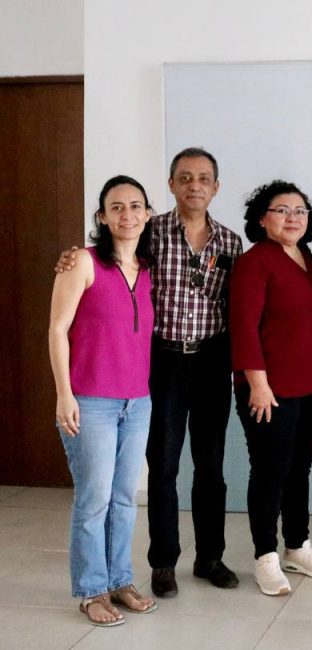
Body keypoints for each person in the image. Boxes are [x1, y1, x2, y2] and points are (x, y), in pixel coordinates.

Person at [55, 146, 244, 598]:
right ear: (171, 184)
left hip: (211, 359)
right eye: (185, 178)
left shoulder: (231, 242)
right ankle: (163, 563)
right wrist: (70, 257)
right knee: (162, 466)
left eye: (204, 178)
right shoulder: (151, 232)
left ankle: (210, 557)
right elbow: (106, 258)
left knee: (211, 465)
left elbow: (235, 305)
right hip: (162, 361)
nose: (194, 186)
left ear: (216, 187)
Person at [49, 176, 158, 626]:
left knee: (124, 498)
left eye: (135, 206)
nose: (127, 214)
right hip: (90, 400)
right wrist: (64, 394)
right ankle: (91, 590)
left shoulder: (148, 268)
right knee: (93, 499)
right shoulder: (82, 261)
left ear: (147, 214)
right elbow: (57, 329)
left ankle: (120, 581)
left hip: (138, 401)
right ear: (102, 216)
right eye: (116, 207)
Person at [230, 180, 312, 596]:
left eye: (300, 211)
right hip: (269, 389)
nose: (293, 218)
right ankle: (265, 556)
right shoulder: (255, 262)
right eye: (282, 210)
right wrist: (257, 383)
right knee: (270, 470)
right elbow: (243, 326)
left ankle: (297, 545)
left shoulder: (308, 259)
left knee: (299, 468)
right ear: (262, 218)